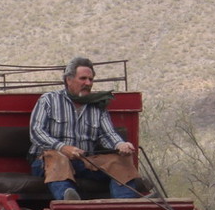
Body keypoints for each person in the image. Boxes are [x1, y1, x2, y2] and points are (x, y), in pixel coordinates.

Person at [28, 57, 149, 201]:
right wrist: (63, 148)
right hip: (48, 162)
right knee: (58, 158)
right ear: (68, 80)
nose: (88, 83)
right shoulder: (48, 100)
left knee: (119, 161)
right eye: (83, 79)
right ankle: (69, 202)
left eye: (91, 80)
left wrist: (120, 144)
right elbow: (36, 131)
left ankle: (126, 204)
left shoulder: (97, 105)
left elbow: (107, 134)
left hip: (85, 162)